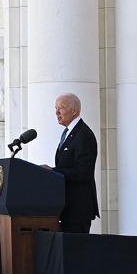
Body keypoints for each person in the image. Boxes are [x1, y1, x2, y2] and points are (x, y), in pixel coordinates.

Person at [41, 93, 99, 233]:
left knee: (76, 252)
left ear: (74, 111)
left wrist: (53, 172)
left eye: (61, 108)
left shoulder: (84, 135)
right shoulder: (69, 133)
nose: (57, 112)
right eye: (55, 108)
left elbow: (83, 172)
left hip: (78, 208)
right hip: (66, 206)